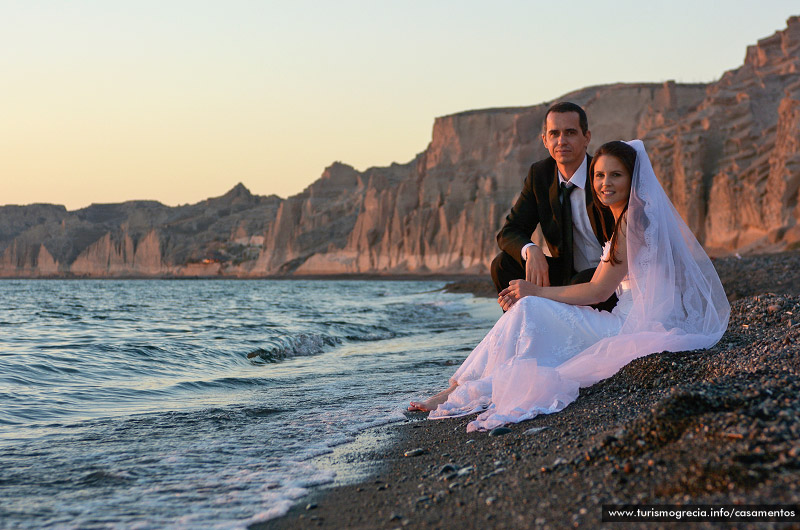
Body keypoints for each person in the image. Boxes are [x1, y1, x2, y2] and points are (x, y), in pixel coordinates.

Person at [409, 140, 730, 433]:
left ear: (633, 179)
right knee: (531, 310)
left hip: (627, 326)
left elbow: (598, 292)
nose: (605, 183)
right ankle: (458, 387)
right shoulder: (635, 217)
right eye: (600, 175)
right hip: (634, 316)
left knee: (531, 306)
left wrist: (535, 291)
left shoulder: (632, 222)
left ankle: (459, 387)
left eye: (616, 175)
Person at [492, 102, 616, 311]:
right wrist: (531, 250)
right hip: (564, 275)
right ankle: (526, 327)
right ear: (545, 140)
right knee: (502, 264)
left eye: (570, 133)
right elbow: (509, 231)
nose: (562, 141)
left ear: (586, 137)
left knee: (585, 279)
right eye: (554, 134)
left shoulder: (602, 175)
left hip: (608, 278)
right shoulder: (540, 175)